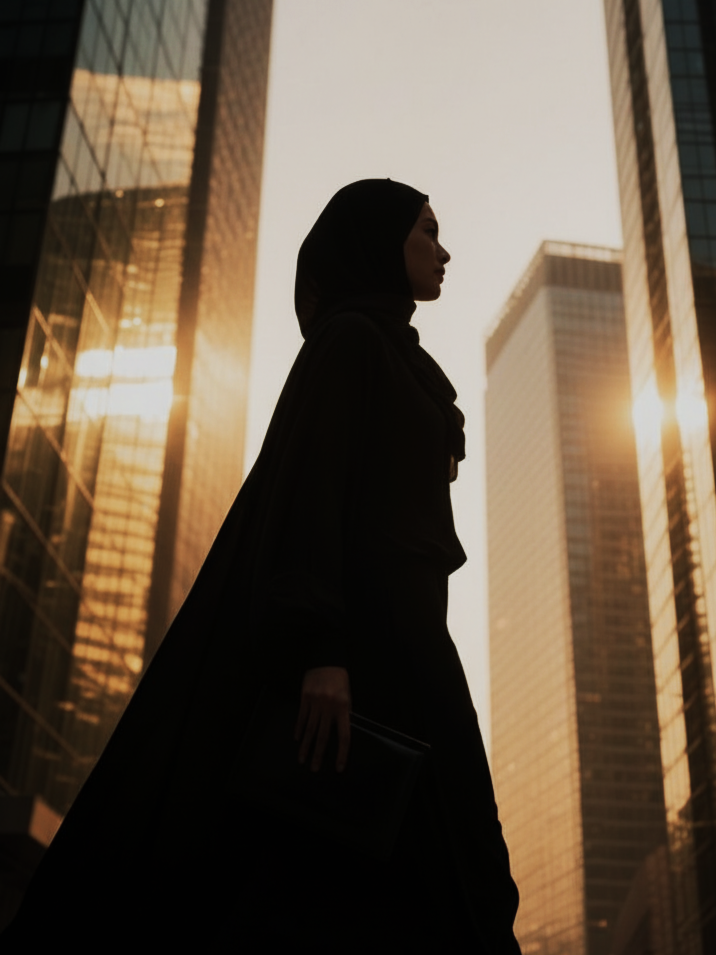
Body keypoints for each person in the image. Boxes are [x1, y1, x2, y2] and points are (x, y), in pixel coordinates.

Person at [3, 179, 521, 952]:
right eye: (425, 232)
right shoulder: (349, 344)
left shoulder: (396, 356)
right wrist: (320, 653)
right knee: (386, 856)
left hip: (415, 642)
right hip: (365, 649)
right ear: (379, 243)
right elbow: (309, 490)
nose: (443, 251)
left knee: (455, 861)